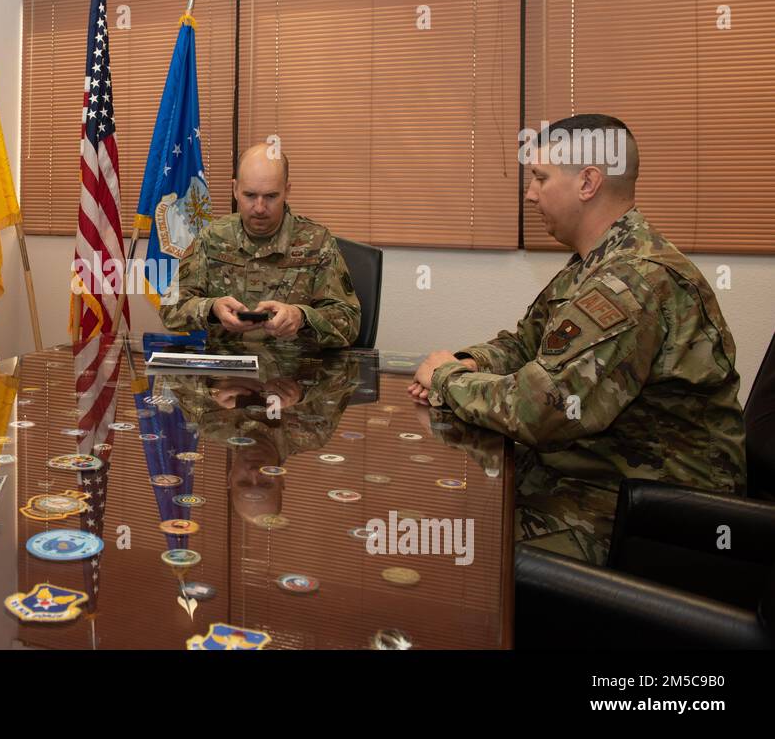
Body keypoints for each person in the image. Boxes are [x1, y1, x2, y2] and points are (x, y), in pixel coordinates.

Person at [409, 114, 746, 564]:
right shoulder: (598, 262)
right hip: (594, 472)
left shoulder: (631, 280)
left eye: (540, 178)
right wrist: (470, 362)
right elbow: (527, 343)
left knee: (460, 550)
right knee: (441, 507)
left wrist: (447, 380)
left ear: (587, 182)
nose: (529, 193)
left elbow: (543, 408)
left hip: (649, 511)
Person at [161, 142, 360, 346]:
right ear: (235, 189)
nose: (259, 208)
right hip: (226, 370)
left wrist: (301, 317)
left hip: (297, 370)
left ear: (287, 191)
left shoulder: (317, 242)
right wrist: (212, 308)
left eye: (271, 196)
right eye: (250, 195)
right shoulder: (212, 238)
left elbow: (350, 322)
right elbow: (170, 308)